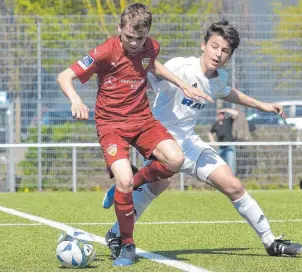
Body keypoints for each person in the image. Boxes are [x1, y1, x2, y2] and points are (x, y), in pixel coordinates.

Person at [102, 20, 302, 261]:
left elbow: (227, 91)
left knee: (233, 186)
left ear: (230, 55)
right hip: (160, 139)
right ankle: (117, 230)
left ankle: (271, 242)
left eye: (225, 50)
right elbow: (148, 72)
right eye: (215, 46)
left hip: (189, 142)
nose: (218, 54)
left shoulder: (218, 78)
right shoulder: (181, 67)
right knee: (159, 185)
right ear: (203, 45)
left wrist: (261, 105)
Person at [56, 3, 212, 267]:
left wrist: (184, 85)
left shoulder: (150, 47)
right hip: (111, 124)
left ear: (147, 34)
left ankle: (122, 186)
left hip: (142, 120)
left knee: (174, 161)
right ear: (120, 29)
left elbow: (153, 65)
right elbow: (64, 76)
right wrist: (75, 101)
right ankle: (127, 244)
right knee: (125, 182)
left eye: (140, 38)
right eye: (129, 37)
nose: (134, 43)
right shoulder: (106, 51)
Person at [208, 108, 238, 174]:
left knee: (231, 166)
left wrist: (225, 110)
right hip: (221, 148)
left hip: (230, 147)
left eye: (222, 114)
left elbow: (236, 113)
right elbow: (210, 132)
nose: (221, 115)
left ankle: (232, 182)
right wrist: (212, 142)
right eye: (219, 114)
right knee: (220, 166)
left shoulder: (228, 121)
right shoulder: (216, 124)